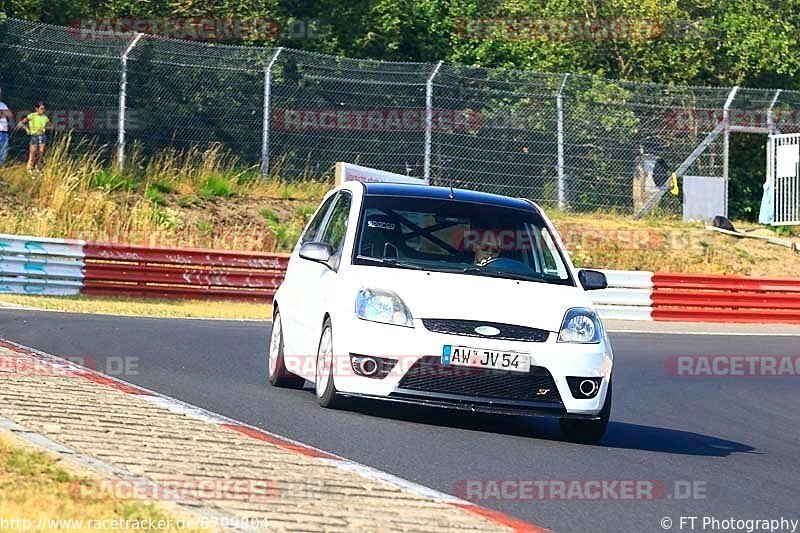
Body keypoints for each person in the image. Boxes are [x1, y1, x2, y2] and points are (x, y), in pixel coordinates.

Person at [15, 101, 51, 171]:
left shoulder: (45, 117)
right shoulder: (32, 115)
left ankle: (38, 167)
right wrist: (27, 129)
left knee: (41, 152)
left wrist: (43, 129)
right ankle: (29, 168)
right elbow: (21, 123)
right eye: (41, 109)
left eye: (44, 109)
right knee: (32, 153)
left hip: (42, 136)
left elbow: (50, 126)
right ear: (36, 109)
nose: (43, 110)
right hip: (34, 136)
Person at [0, 88, 10, 166]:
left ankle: (1, 165)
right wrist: (3, 112)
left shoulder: (3, 104)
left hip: (4, 132)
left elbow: (9, 114)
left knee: (3, 149)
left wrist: (2, 113)